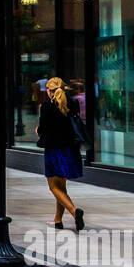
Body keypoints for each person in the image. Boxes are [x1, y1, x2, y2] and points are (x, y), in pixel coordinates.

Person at [37, 76, 85, 232]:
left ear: (49, 91)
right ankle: (57, 220)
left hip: (54, 149)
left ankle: (74, 211)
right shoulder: (73, 103)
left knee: (53, 186)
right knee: (62, 186)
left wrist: (38, 131)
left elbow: (43, 128)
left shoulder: (46, 106)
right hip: (70, 149)